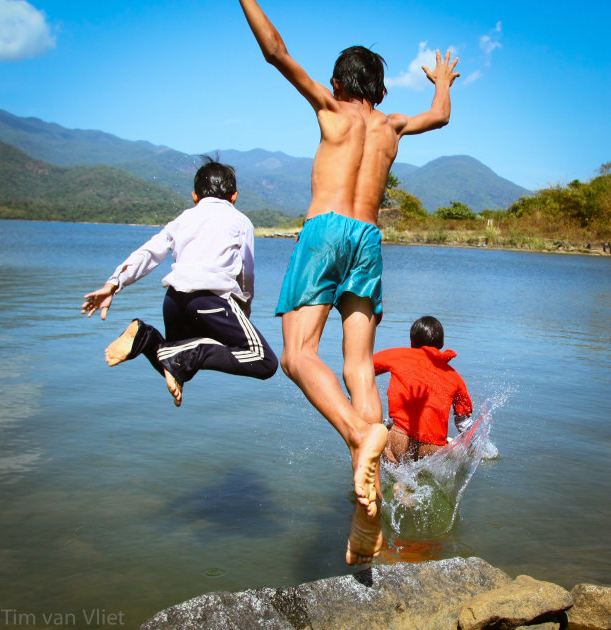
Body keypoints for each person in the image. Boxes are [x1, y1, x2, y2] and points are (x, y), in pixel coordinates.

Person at [238, 0, 460, 564]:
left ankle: (361, 437)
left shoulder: (331, 110)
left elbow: (274, 52)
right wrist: (441, 82)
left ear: (338, 83)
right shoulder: (392, 127)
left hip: (327, 232)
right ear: (380, 90)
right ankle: (372, 496)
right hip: (368, 240)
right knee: (358, 367)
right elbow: (441, 117)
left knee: (295, 355)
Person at [81, 158, 278, 406]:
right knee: (264, 361)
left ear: (195, 196)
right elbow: (247, 272)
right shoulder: (240, 221)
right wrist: (245, 306)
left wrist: (114, 283)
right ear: (234, 196)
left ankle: (145, 337)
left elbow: (150, 253)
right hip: (211, 301)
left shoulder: (183, 219)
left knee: (179, 366)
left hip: (174, 302)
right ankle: (188, 352)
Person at [374, 316, 473, 463]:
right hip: (434, 450)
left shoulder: (399, 355)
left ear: (412, 342)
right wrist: (474, 447)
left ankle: (393, 465)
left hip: (399, 441)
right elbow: (463, 423)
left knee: (380, 432)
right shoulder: (455, 377)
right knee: (453, 447)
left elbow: (362, 367)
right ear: (442, 343)